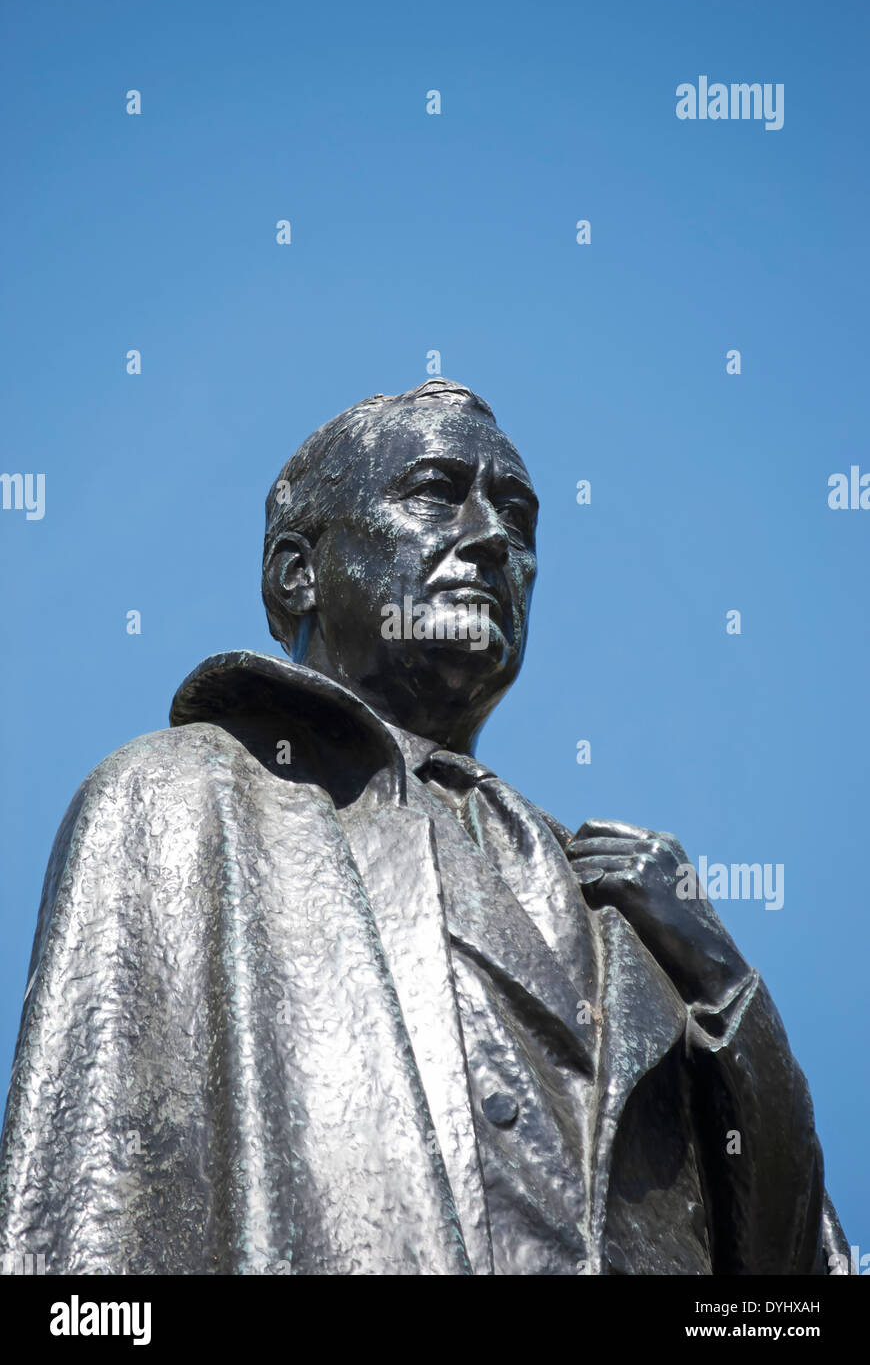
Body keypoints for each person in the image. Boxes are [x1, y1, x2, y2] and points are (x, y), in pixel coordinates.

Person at [0, 378, 847, 1275]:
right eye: (436, 492)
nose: (491, 538)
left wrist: (719, 978)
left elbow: (787, 1277)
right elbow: (86, 1205)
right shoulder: (179, 797)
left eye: (518, 515)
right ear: (300, 572)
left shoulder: (625, 912)